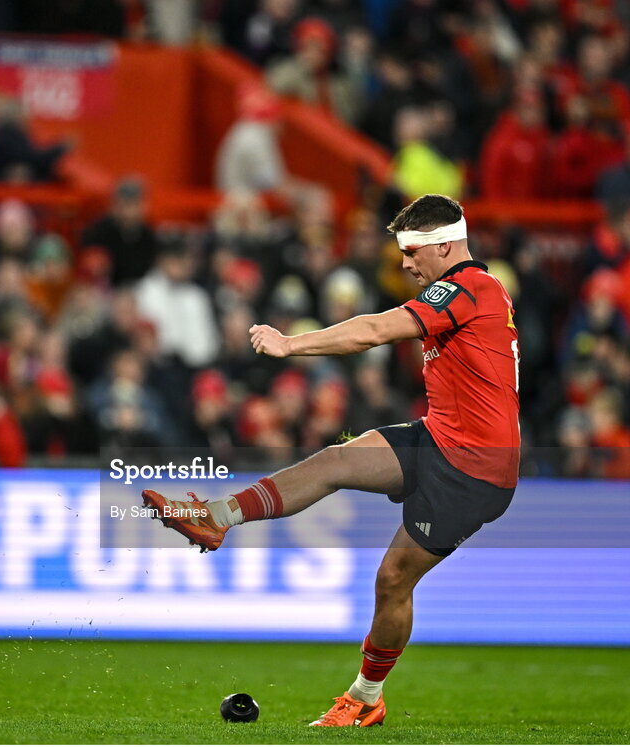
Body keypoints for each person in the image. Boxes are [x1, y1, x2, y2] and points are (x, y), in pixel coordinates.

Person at [142, 194, 520, 727]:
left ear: (444, 245)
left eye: (412, 251)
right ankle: (216, 518)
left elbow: (373, 332)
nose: (405, 263)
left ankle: (365, 696)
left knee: (392, 580)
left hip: (474, 469)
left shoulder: (467, 287)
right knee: (334, 462)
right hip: (441, 438)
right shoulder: (470, 291)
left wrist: (290, 345)